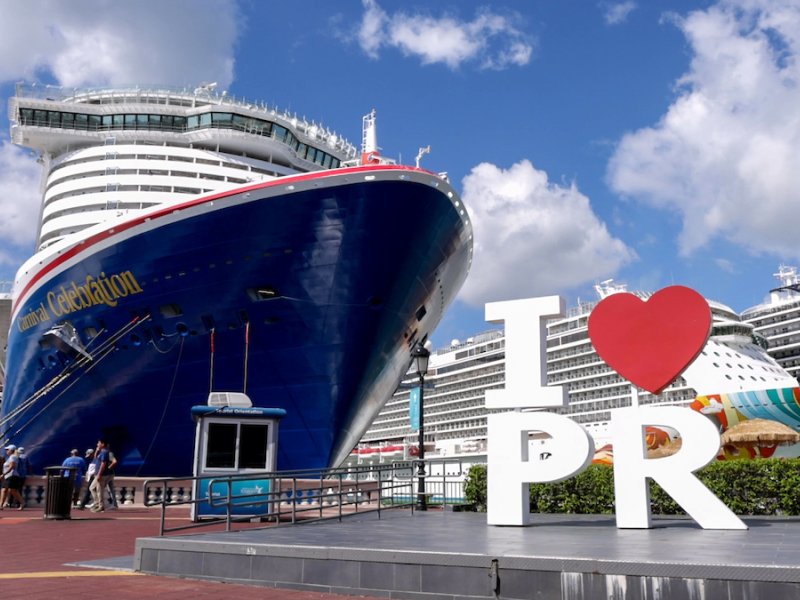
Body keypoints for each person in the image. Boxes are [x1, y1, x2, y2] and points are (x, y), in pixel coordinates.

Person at [0, 445, 25, 510]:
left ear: (11, 450)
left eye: (7, 450)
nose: (6, 451)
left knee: (5, 490)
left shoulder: (12, 457)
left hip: (11, 476)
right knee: (12, 491)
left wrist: (4, 474)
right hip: (9, 476)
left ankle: (1, 505)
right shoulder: (11, 457)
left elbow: (12, 466)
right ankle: (22, 503)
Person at [88, 439, 110, 512]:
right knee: (92, 488)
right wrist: (97, 451)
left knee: (99, 491)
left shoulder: (104, 452)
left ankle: (101, 506)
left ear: (103, 444)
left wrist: (99, 474)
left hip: (101, 475)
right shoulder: (101, 452)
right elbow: (95, 458)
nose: (97, 444)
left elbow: (103, 464)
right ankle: (97, 503)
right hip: (97, 474)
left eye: (98, 443)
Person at [105, 444, 119, 509]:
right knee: (110, 489)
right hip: (108, 474)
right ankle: (114, 504)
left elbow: (114, 461)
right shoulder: (106, 453)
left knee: (100, 487)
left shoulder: (109, 454)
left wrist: (108, 468)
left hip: (109, 474)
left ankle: (114, 504)